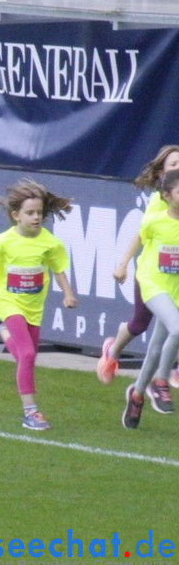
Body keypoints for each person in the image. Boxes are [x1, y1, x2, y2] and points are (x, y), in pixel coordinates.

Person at [0, 180, 77, 431]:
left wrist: (68, 294)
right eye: (30, 213)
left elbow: (59, 270)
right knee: (27, 354)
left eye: (39, 212)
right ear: (16, 215)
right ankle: (31, 412)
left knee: (24, 356)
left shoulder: (49, 243)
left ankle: (0, 328)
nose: (36, 217)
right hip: (8, 302)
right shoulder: (3, 242)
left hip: (34, 307)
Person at [99, 145, 179, 385]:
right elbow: (140, 235)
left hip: (174, 278)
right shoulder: (158, 202)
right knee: (140, 324)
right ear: (161, 173)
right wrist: (122, 264)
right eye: (173, 164)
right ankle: (112, 352)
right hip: (151, 275)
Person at [121, 169, 179, 429]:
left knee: (157, 347)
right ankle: (161, 382)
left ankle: (136, 394)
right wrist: (122, 265)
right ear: (167, 196)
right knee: (178, 329)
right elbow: (138, 239)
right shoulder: (156, 221)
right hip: (152, 283)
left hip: (175, 287)